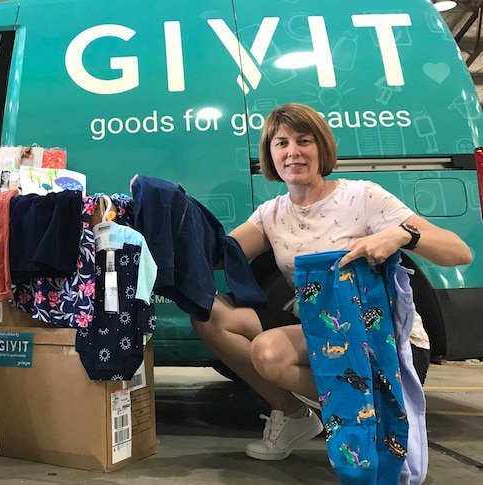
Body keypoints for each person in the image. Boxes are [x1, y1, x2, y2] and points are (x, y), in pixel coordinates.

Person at [190, 103, 472, 461]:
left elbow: (459, 252)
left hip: (383, 342)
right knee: (208, 313)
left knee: (269, 351)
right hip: (326, 331)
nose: (292, 151)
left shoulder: (362, 196)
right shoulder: (272, 214)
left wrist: (401, 235)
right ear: (270, 155)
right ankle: (295, 417)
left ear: (321, 147)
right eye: (281, 143)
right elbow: (217, 256)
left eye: (303, 140)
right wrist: (159, 223)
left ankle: (381, 403)